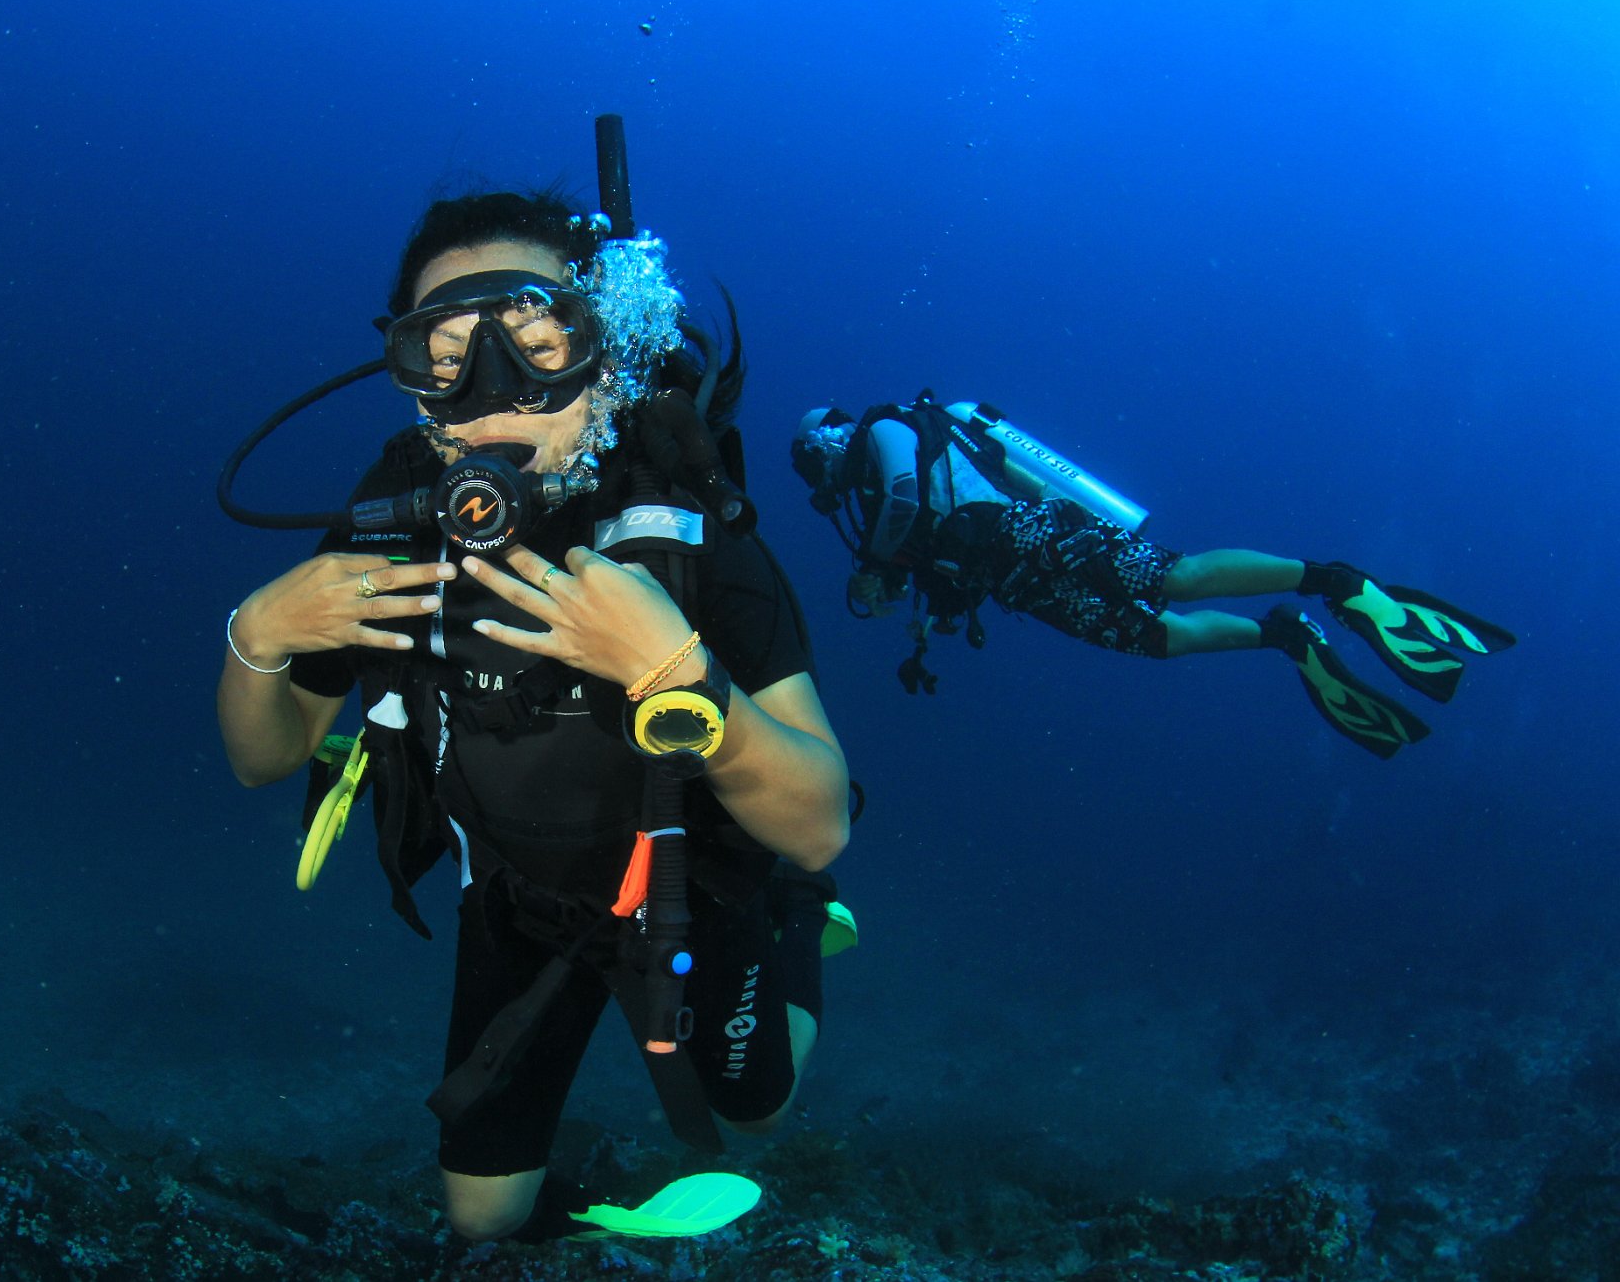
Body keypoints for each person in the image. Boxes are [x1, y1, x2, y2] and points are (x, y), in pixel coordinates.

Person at [218, 188, 852, 1243]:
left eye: (535, 340)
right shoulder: (387, 538)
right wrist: (256, 635)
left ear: (602, 353)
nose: (492, 390)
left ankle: (795, 921)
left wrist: (675, 670)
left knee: (755, 1118)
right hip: (517, 899)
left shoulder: (688, 539)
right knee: (481, 1221)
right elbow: (264, 756)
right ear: (408, 377)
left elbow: (819, 821)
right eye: (445, 352)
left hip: (685, 879)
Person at [791, 394, 1515, 759]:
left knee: (1177, 578)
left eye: (814, 458)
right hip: (1019, 581)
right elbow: (929, 543)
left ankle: (1333, 581)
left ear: (828, 435)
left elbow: (908, 495)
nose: (821, 474)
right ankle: (1284, 636)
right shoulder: (875, 496)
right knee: (1159, 638)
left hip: (1034, 534)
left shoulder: (884, 427)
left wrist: (876, 566)